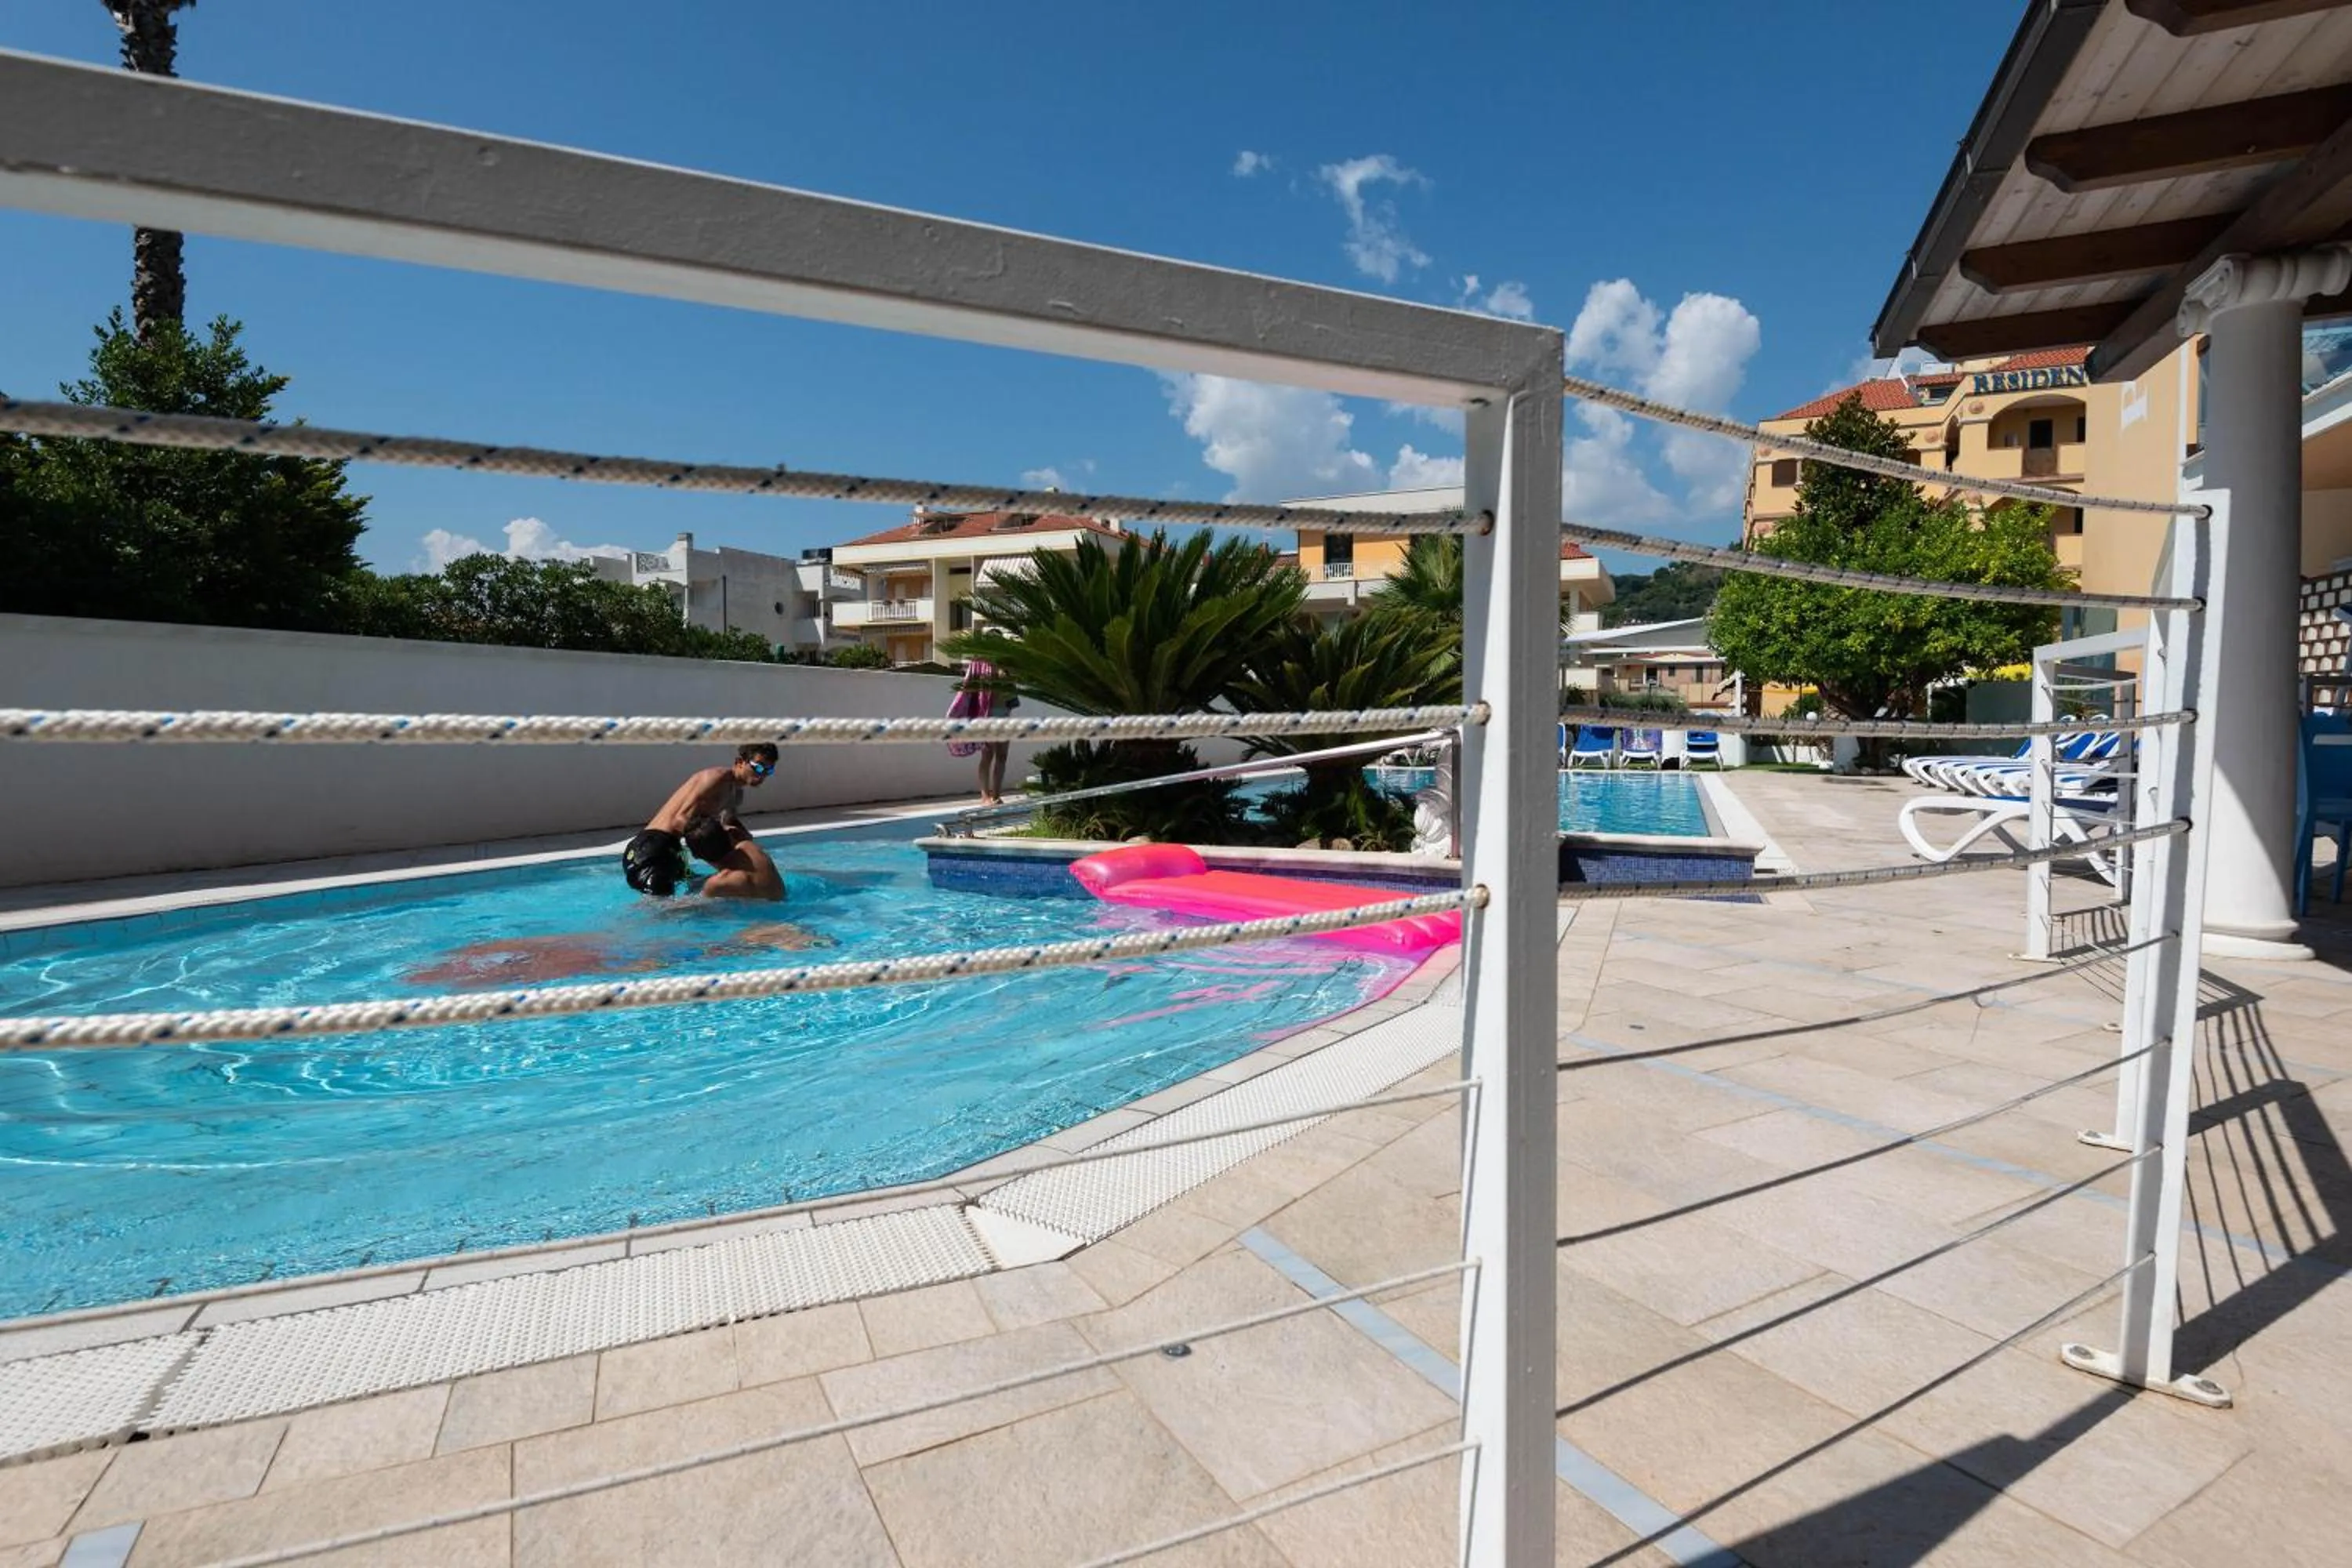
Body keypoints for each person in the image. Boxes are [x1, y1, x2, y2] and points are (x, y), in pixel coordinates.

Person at [622, 744, 782, 898]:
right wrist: (715, 855)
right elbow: (680, 819)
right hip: (652, 848)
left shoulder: (736, 793)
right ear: (740, 762)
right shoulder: (715, 778)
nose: (762, 775)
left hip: (673, 851)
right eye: (759, 767)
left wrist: (745, 839)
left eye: (769, 770)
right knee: (660, 911)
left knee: (695, 892)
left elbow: (728, 826)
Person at [946, 658, 1019, 805]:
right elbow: (969, 688)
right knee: (988, 754)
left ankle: (997, 795)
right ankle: (985, 796)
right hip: (987, 715)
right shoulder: (980, 666)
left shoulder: (1007, 666)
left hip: (1004, 714)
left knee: (1002, 755)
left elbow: (1012, 691)